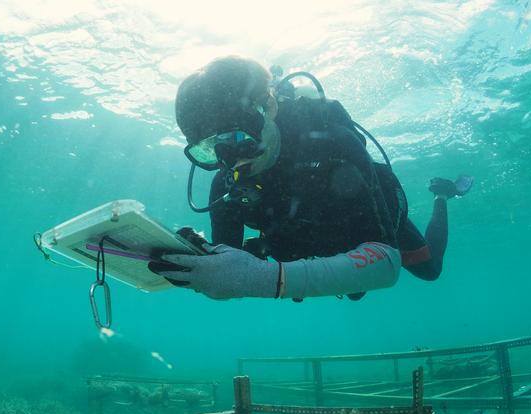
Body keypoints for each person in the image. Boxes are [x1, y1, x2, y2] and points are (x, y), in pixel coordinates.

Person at [148, 56, 472, 301]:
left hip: (373, 222)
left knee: (430, 271)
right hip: (310, 247)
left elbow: (385, 265)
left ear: (269, 107)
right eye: (210, 150)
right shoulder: (227, 184)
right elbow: (229, 267)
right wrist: (195, 261)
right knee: (354, 288)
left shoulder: (332, 143)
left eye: (237, 139)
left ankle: (442, 195)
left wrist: (265, 279)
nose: (231, 161)